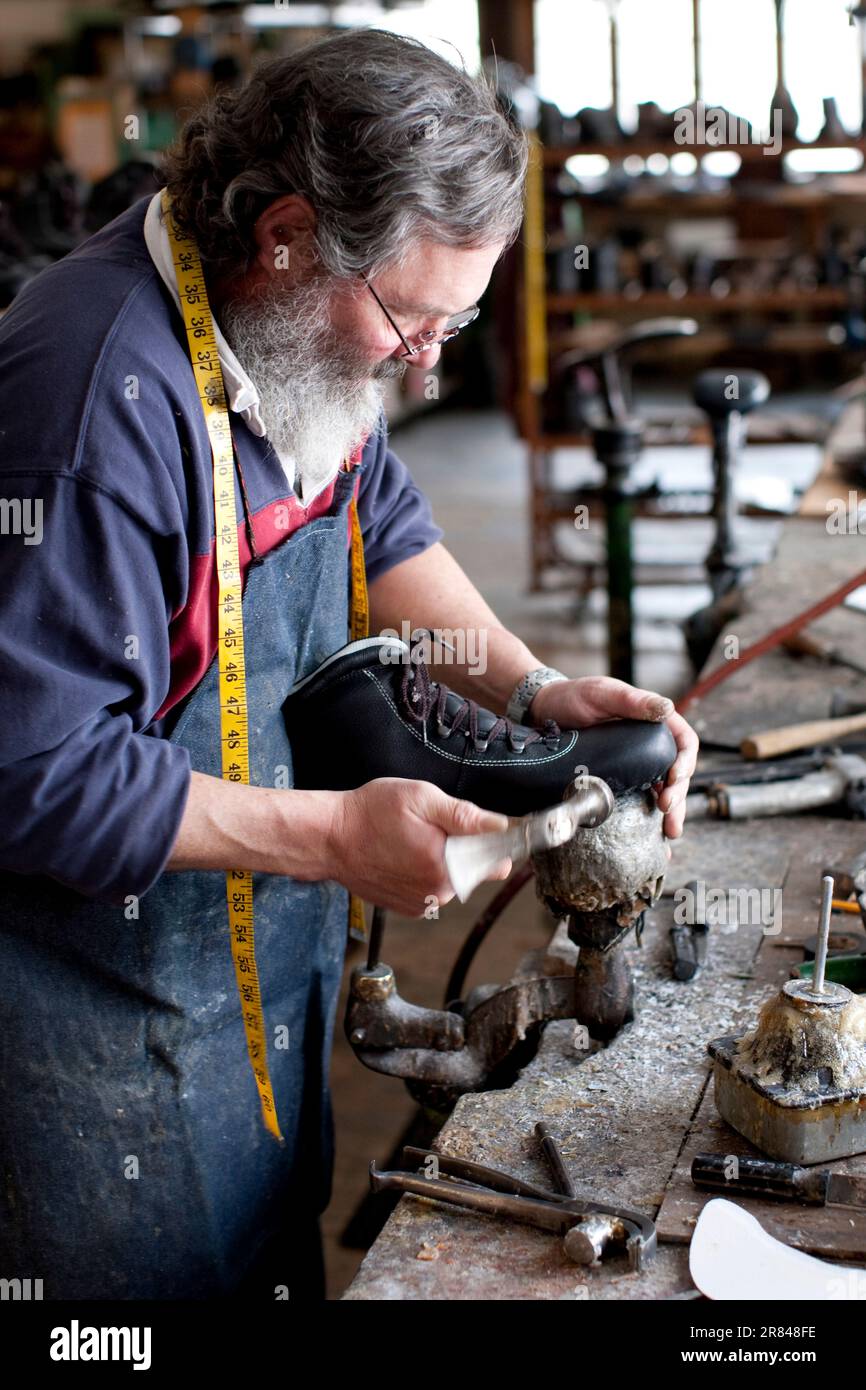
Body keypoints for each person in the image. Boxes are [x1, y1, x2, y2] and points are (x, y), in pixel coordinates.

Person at [0, 28, 697, 1300]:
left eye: (458, 318)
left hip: (246, 958)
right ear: (282, 234)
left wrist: (537, 691)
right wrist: (331, 838)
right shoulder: (94, 405)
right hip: (97, 1008)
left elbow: (374, 518)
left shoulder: (284, 340)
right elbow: (34, 768)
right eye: (410, 319)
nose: (430, 359)